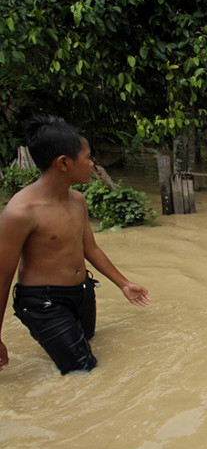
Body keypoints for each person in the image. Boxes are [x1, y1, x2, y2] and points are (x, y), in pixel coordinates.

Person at [0, 115, 150, 374]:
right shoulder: (20, 212)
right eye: (88, 157)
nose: (92, 164)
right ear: (64, 163)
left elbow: (90, 249)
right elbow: (3, 278)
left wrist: (124, 283)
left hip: (81, 293)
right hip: (44, 303)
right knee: (84, 372)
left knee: (88, 343)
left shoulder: (77, 200)